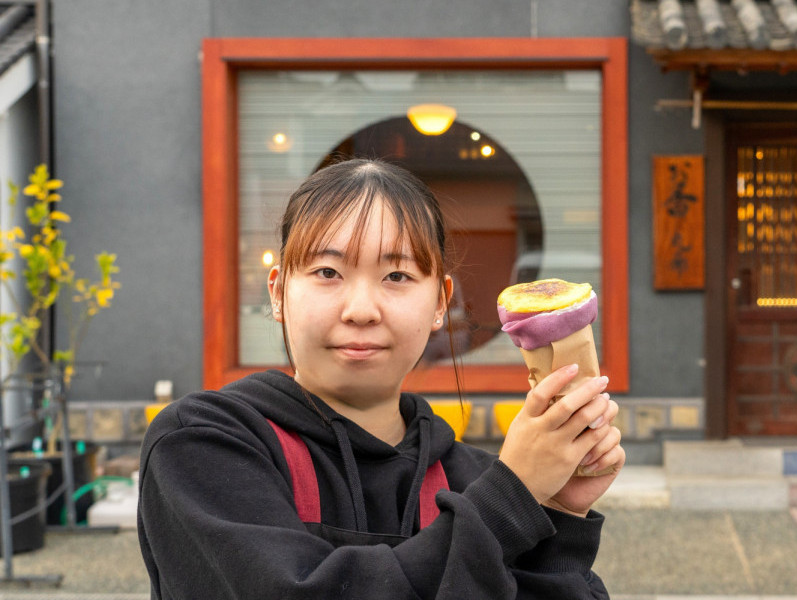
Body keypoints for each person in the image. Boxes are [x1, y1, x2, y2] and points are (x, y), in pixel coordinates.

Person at [138, 158, 624, 599]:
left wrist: (560, 510)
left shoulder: (469, 479)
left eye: (397, 277)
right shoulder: (204, 445)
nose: (361, 310)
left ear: (440, 302)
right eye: (328, 272)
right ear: (279, 292)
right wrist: (509, 499)